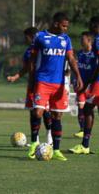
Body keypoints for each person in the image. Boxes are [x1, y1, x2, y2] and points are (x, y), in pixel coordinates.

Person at [25, 12, 83, 161]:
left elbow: (71, 59)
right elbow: (31, 60)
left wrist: (78, 76)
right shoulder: (40, 37)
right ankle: (33, 143)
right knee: (37, 112)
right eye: (64, 26)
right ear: (56, 23)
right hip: (42, 81)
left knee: (57, 116)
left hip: (59, 83)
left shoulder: (66, 39)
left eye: (67, 26)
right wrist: (31, 80)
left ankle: (56, 149)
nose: (66, 29)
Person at [6, 27, 54, 146]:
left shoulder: (45, 48)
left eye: (26, 37)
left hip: (44, 84)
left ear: (31, 37)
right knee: (33, 112)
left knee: (46, 111)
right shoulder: (28, 51)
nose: (25, 40)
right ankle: (35, 141)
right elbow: (27, 68)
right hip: (33, 84)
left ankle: (50, 137)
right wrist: (16, 77)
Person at [68, 31, 98, 154]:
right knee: (84, 108)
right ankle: (84, 143)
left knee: (86, 109)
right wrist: (75, 80)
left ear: (89, 41)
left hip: (92, 86)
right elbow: (77, 68)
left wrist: (90, 85)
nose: (81, 41)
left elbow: (96, 71)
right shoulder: (80, 53)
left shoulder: (95, 55)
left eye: (83, 39)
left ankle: (85, 144)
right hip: (82, 85)